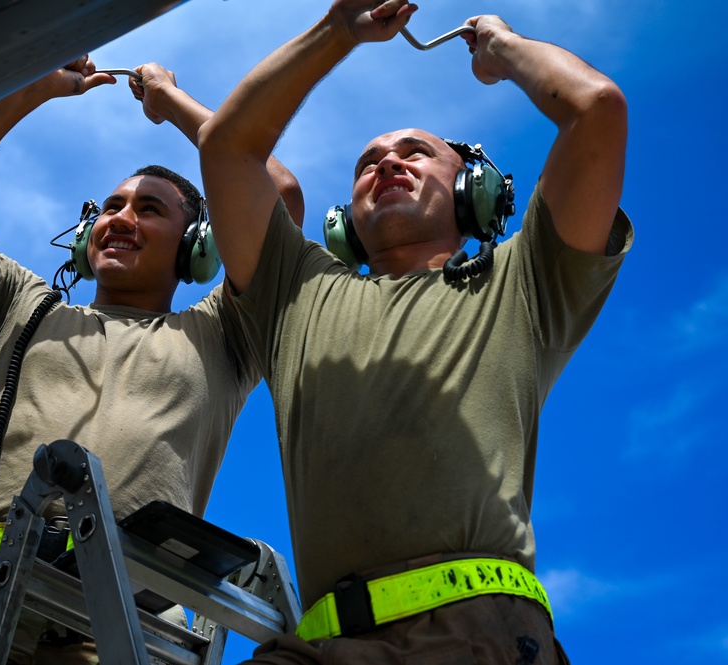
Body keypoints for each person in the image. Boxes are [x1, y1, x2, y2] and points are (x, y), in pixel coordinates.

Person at [198, 1, 631, 662]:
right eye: (368, 161)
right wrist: (337, 30)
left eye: (416, 153)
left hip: (473, 632)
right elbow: (229, 147)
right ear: (344, 219)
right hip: (320, 642)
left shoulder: (525, 282)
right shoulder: (294, 290)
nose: (387, 163)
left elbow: (594, 108)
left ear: (475, 193)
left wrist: (499, 43)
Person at [0, 55, 304, 664]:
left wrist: (171, 103)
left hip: (135, 615)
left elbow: (281, 196)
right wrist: (28, 88)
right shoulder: (18, 307)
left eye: (150, 209)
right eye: (110, 207)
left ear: (199, 250)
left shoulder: (225, 336)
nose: (120, 219)